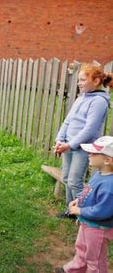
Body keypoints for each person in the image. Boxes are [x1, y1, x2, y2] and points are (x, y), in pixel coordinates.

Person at [54, 64, 111, 219]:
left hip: (82, 148)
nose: (78, 83)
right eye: (78, 79)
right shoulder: (82, 97)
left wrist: (70, 144)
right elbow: (68, 121)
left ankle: (84, 213)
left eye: (82, 80)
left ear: (96, 81)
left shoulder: (99, 101)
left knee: (74, 181)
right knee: (66, 178)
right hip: (68, 146)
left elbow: (89, 129)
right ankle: (71, 210)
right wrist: (60, 140)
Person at [55, 136, 113, 273]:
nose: (89, 154)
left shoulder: (109, 186)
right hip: (88, 223)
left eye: (93, 153)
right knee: (81, 248)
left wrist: (80, 211)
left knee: (95, 260)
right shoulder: (99, 173)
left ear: (107, 160)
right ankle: (76, 269)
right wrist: (79, 200)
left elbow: (102, 211)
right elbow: (89, 190)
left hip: (98, 228)